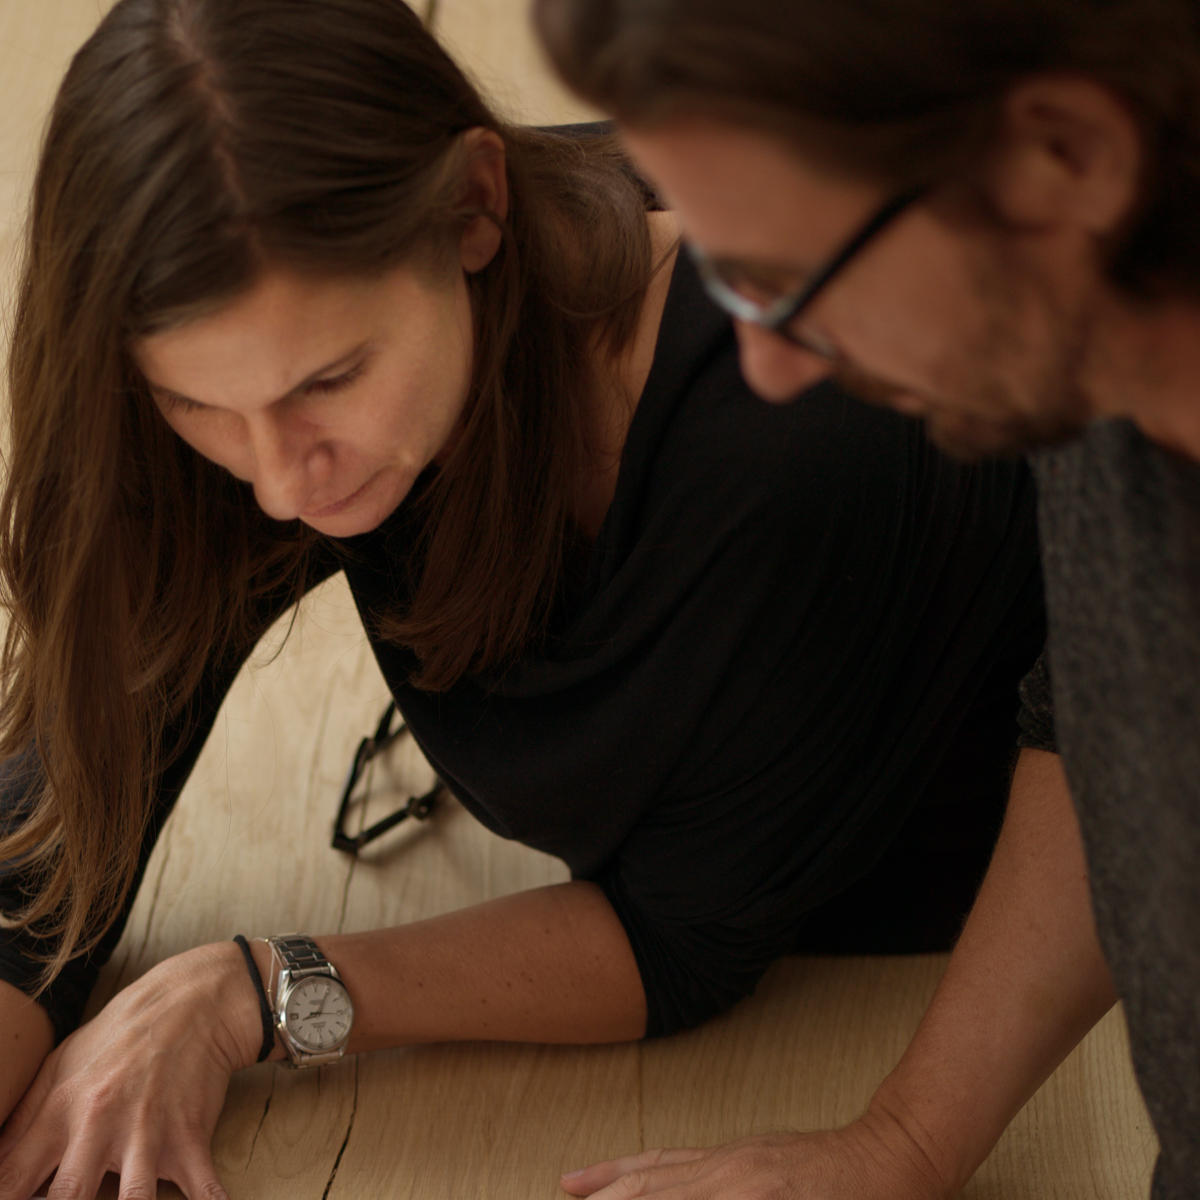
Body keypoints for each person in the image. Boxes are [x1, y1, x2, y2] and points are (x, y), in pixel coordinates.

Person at [0, 1, 1050, 1198]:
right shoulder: (279, 319)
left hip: (951, 879)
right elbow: (62, 809)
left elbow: (678, 939)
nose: (282, 483)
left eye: (330, 381)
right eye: (197, 408)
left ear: (475, 210)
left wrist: (252, 989)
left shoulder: (783, 435)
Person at [534, 0, 1200, 1197]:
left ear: (1068, 154)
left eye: (796, 282)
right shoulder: (1095, 357)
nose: (771, 366)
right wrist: (906, 1143)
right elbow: (1106, 708)